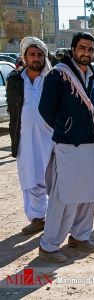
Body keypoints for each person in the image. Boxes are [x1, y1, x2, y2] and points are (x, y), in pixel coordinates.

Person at [38, 32, 94, 263]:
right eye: (82, 48)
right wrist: (66, 128)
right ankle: (49, 245)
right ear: (73, 49)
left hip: (90, 143)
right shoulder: (58, 75)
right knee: (63, 197)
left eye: (90, 49)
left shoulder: (92, 74)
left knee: (88, 195)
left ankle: (80, 236)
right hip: (68, 144)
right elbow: (45, 110)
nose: (86, 52)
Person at [6, 37, 53, 234]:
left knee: (51, 178)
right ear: (24, 57)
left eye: (39, 54)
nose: (36, 58)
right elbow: (12, 108)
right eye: (32, 54)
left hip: (50, 137)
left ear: (44, 57)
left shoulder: (53, 78)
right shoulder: (15, 79)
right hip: (24, 137)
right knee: (30, 177)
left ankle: (54, 218)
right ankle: (37, 218)